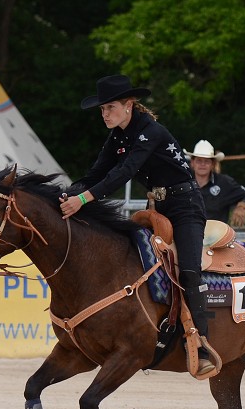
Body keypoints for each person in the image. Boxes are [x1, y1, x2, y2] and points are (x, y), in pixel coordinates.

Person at [59, 74, 215, 375]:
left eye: (110, 107)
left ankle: (201, 344)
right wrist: (64, 195)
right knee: (136, 263)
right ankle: (149, 333)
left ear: (129, 105)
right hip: (157, 206)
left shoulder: (149, 131)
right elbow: (95, 174)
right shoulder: (117, 135)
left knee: (189, 269)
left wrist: (83, 200)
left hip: (185, 206)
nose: (105, 114)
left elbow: (124, 172)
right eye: (102, 109)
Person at [185, 140, 245, 228]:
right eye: (199, 161)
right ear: (192, 163)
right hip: (189, 234)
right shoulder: (183, 182)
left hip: (217, 237)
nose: (202, 164)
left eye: (207, 161)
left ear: (213, 164)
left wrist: (243, 206)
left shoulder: (224, 183)